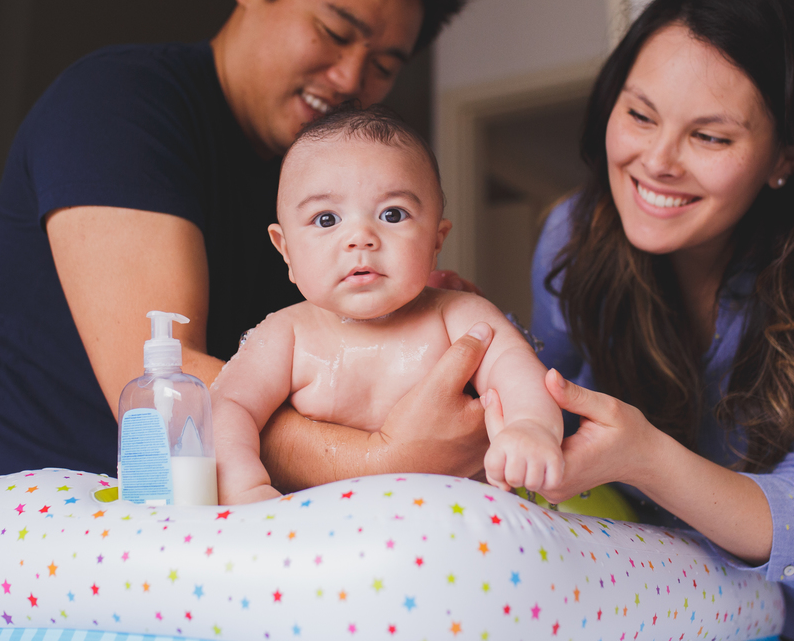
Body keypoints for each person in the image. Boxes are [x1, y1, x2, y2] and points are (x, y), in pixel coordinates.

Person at [0, 0, 489, 641]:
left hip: (137, 566)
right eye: (334, 30)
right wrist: (388, 456)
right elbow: (162, 387)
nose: (353, 79)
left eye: (385, 64)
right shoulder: (121, 104)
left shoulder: (315, 191)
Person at [490, 0, 794, 641]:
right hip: (690, 610)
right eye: (640, 115)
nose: (658, 161)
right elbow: (539, 402)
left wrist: (646, 457)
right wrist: (476, 348)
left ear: (784, 157)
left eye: (710, 137)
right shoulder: (572, 234)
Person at [211, 106, 564, 504]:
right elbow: (227, 406)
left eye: (392, 214)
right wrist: (244, 486)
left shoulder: (459, 316)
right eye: (326, 219)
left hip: (450, 533)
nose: (360, 237)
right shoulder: (285, 334)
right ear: (286, 250)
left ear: (435, 240)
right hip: (321, 535)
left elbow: (516, 371)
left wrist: (530, 427)